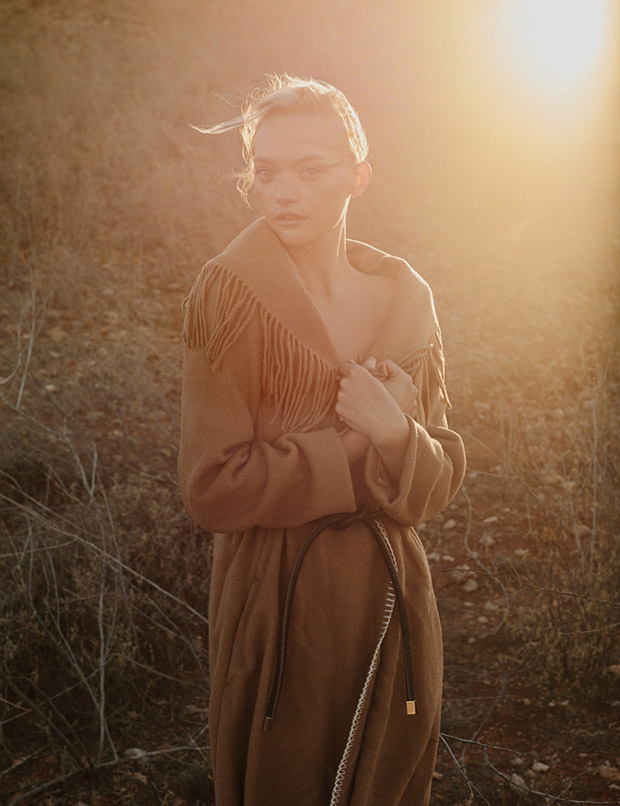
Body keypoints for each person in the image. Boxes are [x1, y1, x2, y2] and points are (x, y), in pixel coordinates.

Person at [179, 73, 466, 806]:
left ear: (357, 177)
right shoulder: (231, 293)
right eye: (266, 172)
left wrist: (396, 430)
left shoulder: (407, 300)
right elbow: (212, 487)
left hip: (393, 600)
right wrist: (355, 445)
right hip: (279, 605)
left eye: (311, 171)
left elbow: (433, 487)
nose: (284, 193)